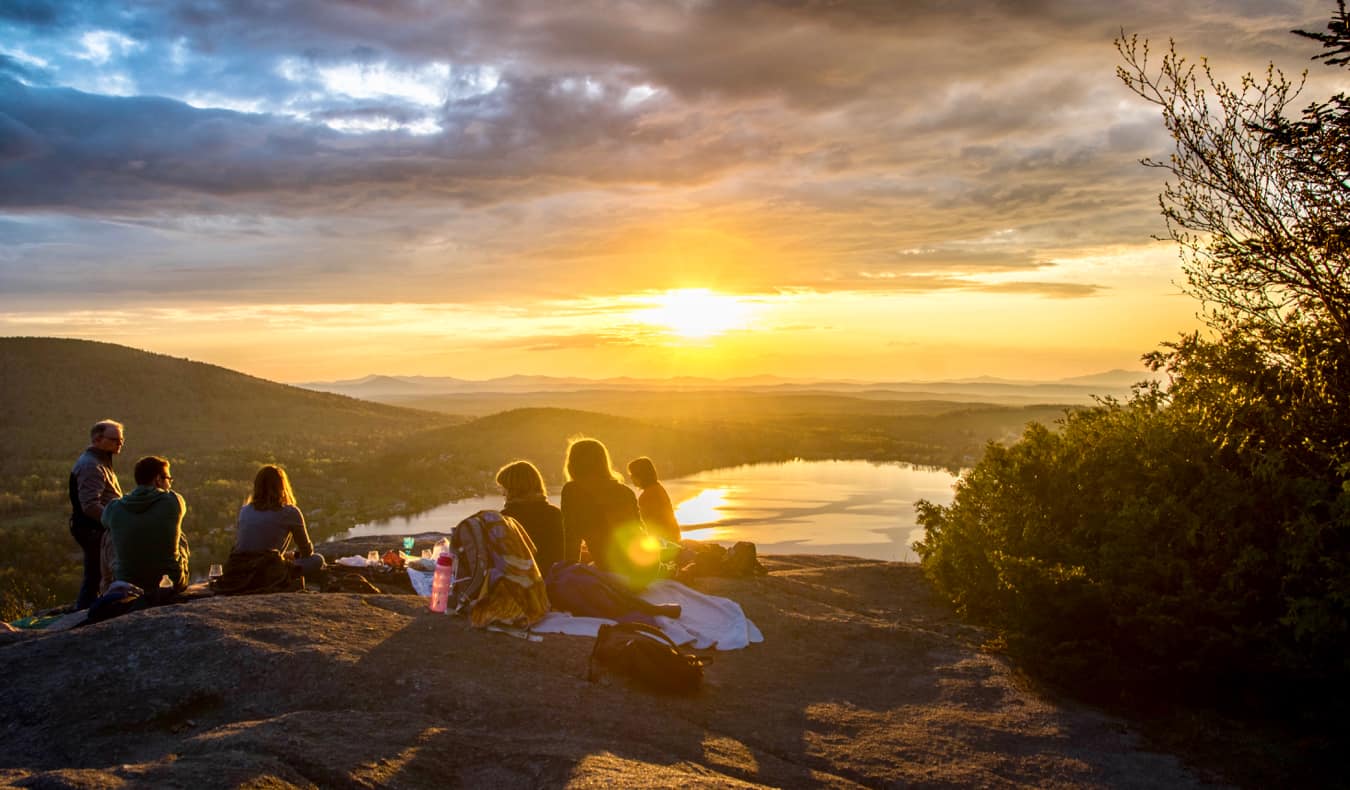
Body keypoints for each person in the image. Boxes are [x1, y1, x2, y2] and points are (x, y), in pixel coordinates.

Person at [560, 438, 657, 583]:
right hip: (646, 566)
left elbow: (572, 538)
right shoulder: (625, 491)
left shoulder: (572, 490)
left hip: (613, 568)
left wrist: (568, 577)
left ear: (573, 463)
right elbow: (641, 531)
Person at [102, 455, 190, 599]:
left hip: (127, 584)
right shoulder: (174, 501)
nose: (170, 483)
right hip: (170, 583)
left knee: (108, 534)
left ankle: (106, 588)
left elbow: (104, 521)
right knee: (179, 534)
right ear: (158, 479)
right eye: (168, 478)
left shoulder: (114, 507)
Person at [232, 464, 325, 582]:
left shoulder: (245, 510)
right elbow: (307, 551)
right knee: (317, 560)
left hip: (239, 570)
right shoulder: (289, 512)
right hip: (268, 573)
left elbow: (253, 547)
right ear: (282, 486)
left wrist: (286, 555)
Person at [69, 419, 124, 610]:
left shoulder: (100, 462)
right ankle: (86, 614)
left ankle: (88, 610)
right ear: (98, 439)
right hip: (94, 529)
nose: (120, 443)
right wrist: (115, 522)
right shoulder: (91, 466)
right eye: (115, 439)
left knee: (98, 574)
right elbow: (90, 505)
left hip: (96, 527)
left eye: (121, 439)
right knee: (96, 574)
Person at [496, 460, 563, 573]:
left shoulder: (506, 519)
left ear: (514, 489)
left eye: (504, 488)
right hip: (557, 581)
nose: (503, 494)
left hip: (523, 585)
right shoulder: (556, 514)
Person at [627, 456, 681, 544]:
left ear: (640, 475)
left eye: (632, 474)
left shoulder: (648, 496)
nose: (631, 478)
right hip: (672, 537)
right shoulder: (658, 488)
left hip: (664, 542)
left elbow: (645, 524)